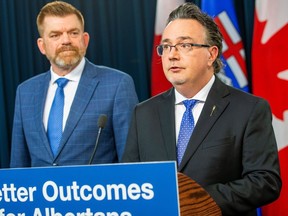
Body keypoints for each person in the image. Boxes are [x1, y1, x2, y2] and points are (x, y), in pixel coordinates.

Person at [122, 3, 281, 216]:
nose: (172, 55)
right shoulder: (143, 113)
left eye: (185, 45)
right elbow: (131, 181)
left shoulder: (249, 109)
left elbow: (265, 182)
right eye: (166, 47)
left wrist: (197, 200)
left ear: (211, 54)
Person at [10, 1, 138, 167]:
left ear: (85, 40)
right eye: (55, 35)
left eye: (73, 33)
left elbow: (131, 164)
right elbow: (18, 167)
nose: (66, 41)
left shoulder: (117, 84)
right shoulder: (25, 92)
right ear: (42, 46)